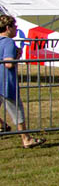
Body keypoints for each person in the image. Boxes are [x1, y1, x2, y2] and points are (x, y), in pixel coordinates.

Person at [0, 14, 43, 148]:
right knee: (17, 111)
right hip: (6, 82)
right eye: (14, 26)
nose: (16, 29)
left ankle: (2, 125)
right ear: (8, 28)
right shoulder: (8, 42)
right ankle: (26, 138)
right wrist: (16, 57)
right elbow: (8, 63)